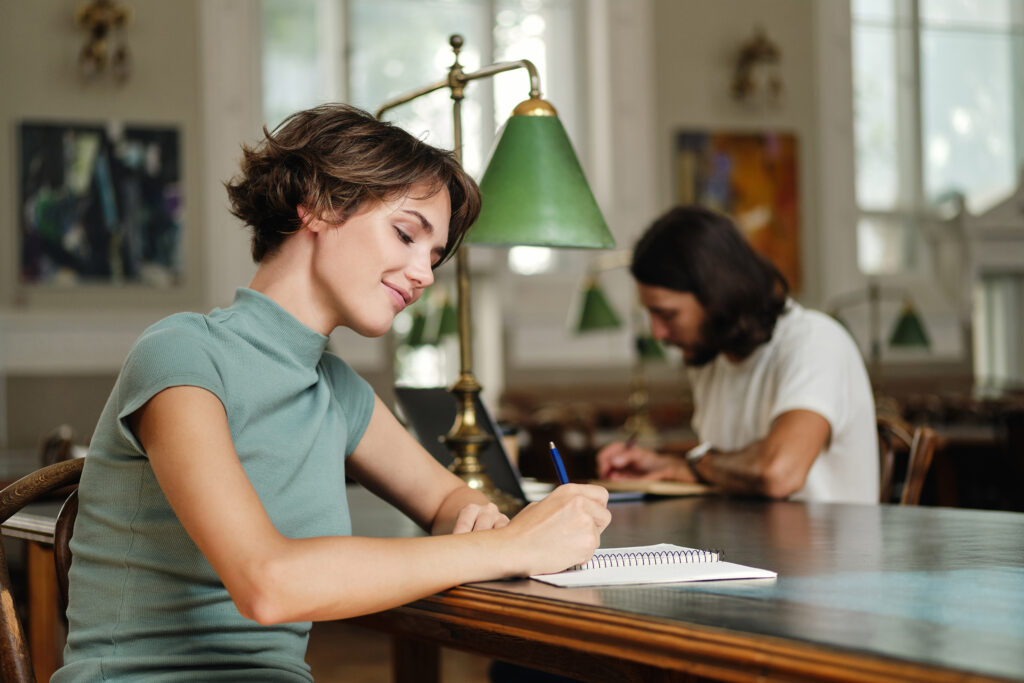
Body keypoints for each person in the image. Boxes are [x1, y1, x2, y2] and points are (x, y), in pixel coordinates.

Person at [54, 104, 611, 682]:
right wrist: (510, 547)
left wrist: (486, 527)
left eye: (434, 255)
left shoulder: (337, 388)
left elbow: (449, 502)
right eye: (406, 235)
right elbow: (267, 584)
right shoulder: (182, 354)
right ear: (318, 204)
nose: (424, 273)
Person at [597, 205, 878, 504]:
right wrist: (667, 464)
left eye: (667, 314)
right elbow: (733, 464)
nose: (657, 333)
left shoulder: (815, 340)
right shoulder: (711, 358)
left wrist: (692, 466)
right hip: (748, 546)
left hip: (830, 550)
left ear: (717, 294)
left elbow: (778, 472)